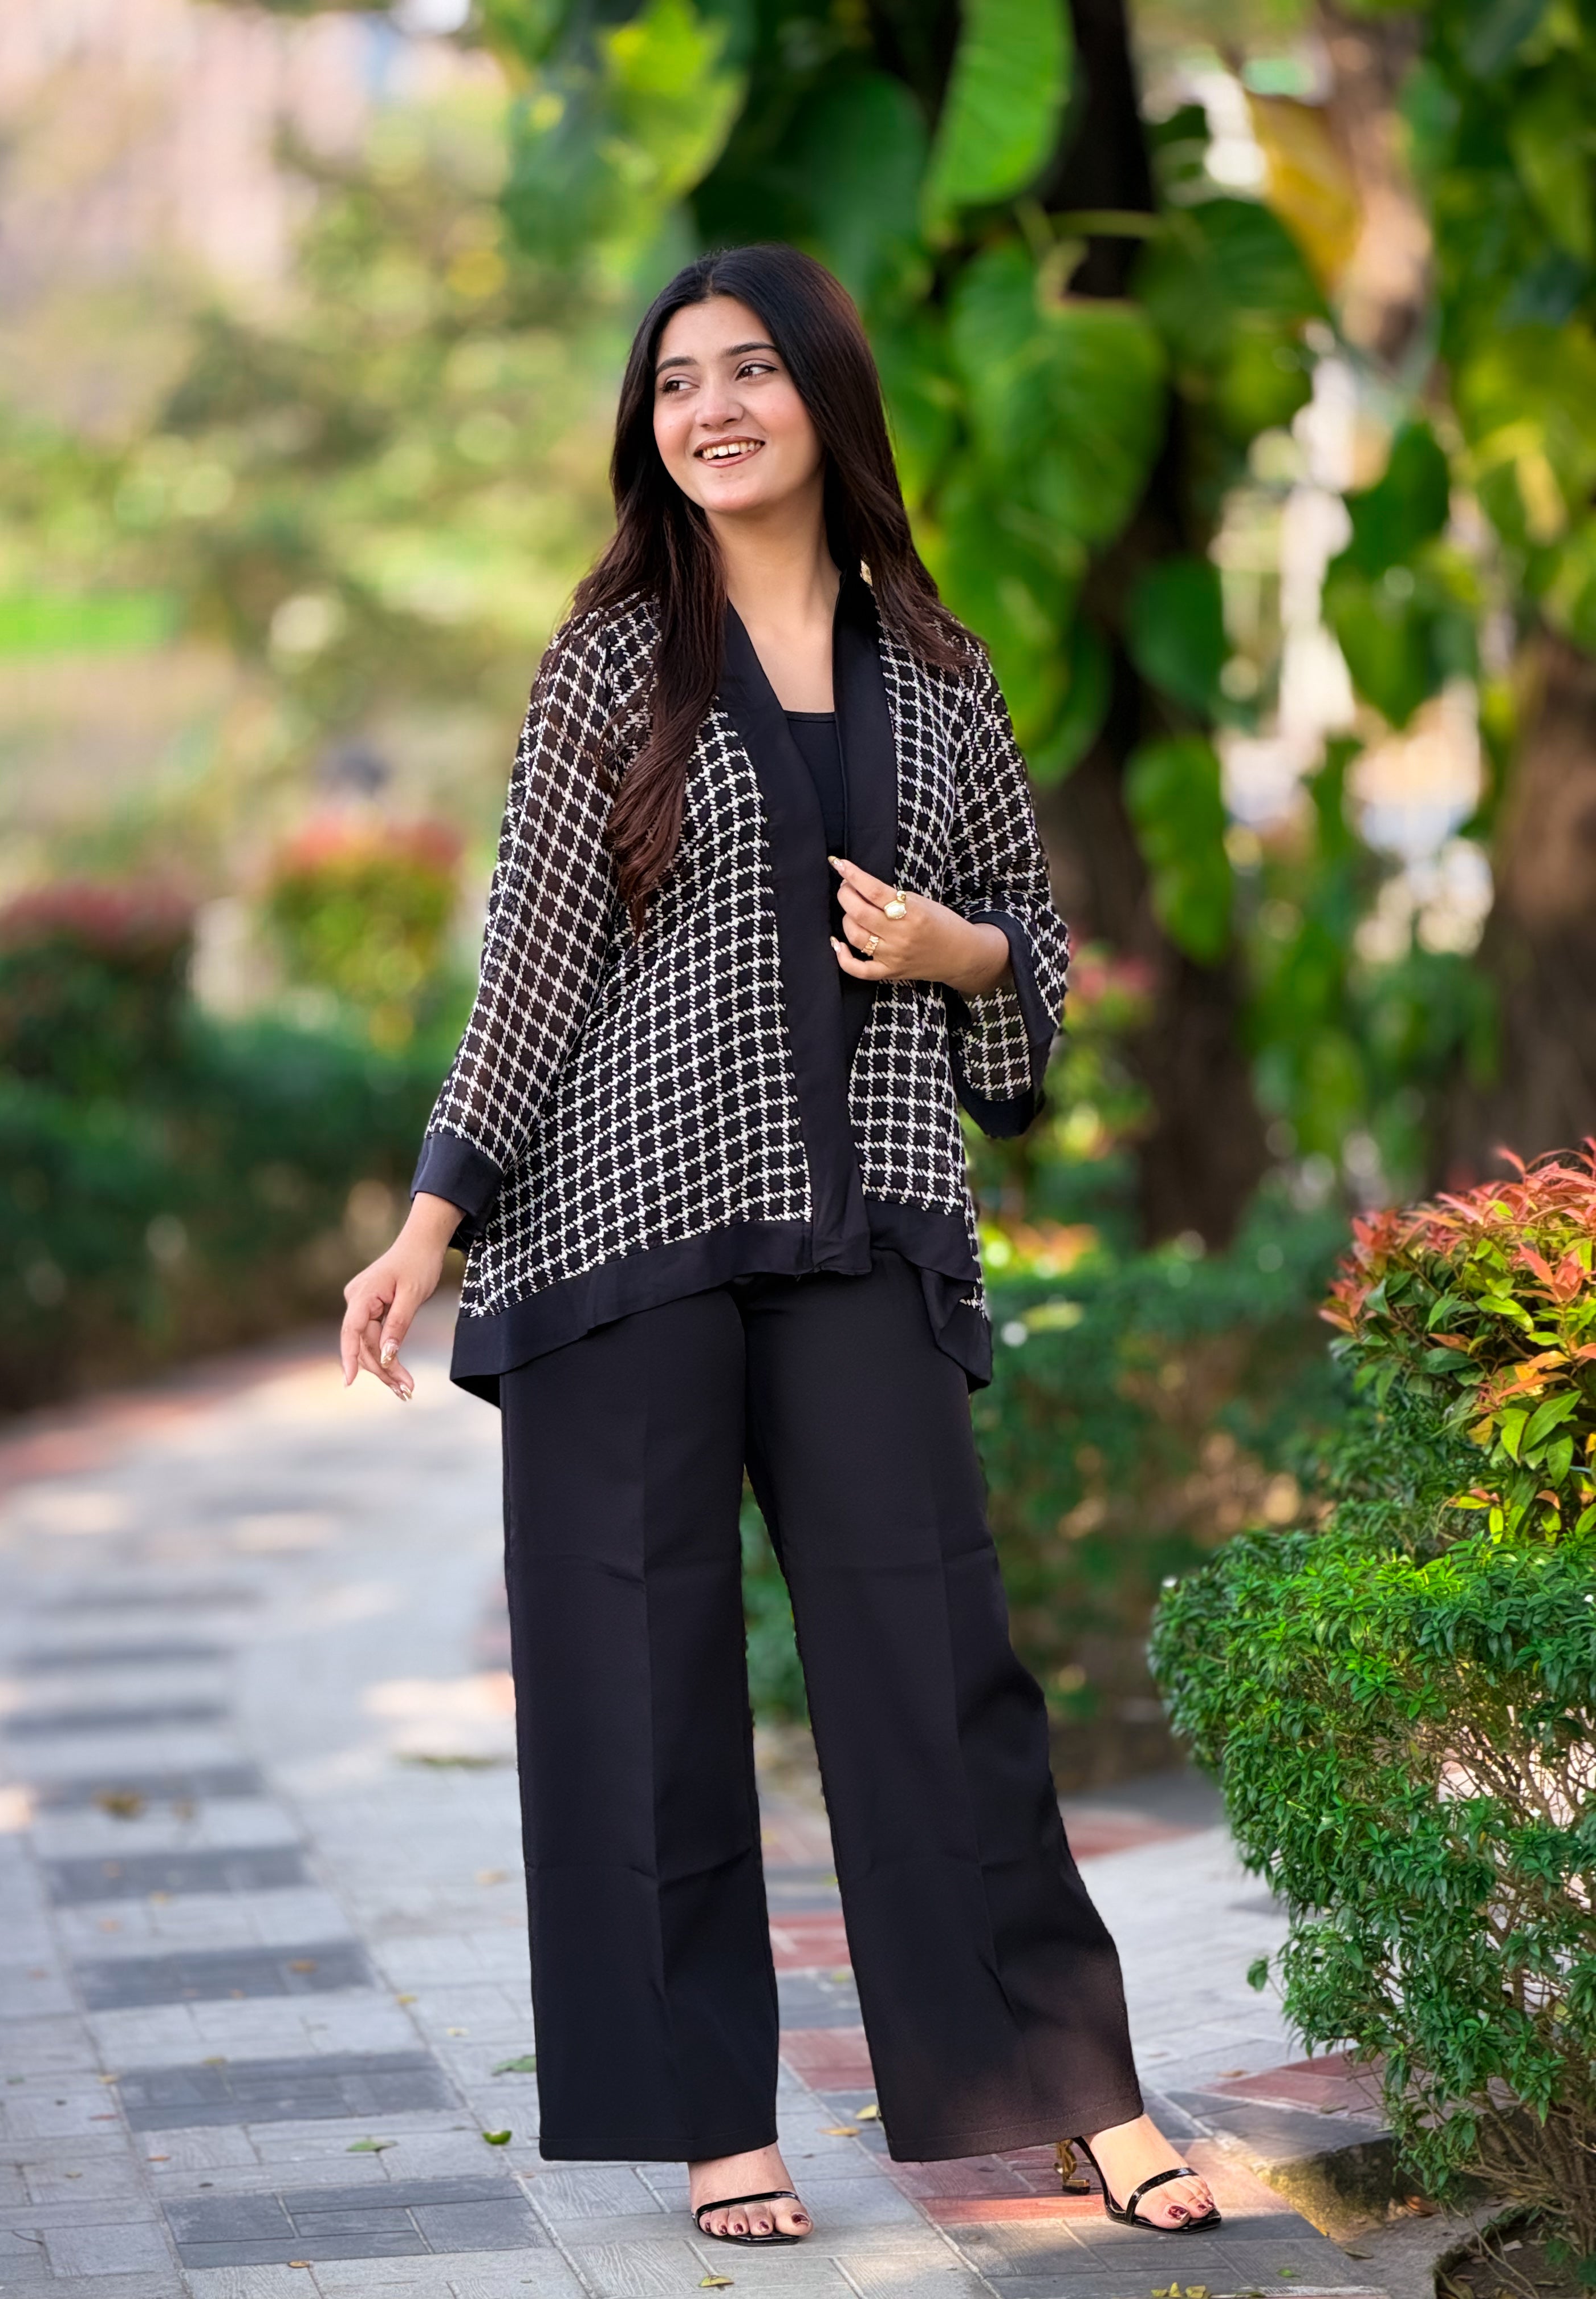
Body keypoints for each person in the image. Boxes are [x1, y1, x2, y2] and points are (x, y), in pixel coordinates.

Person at [339, 243, 1220, 2249]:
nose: (711, 407)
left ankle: (1076, 2094)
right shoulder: (607, 667)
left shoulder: (941, 668)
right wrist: (425, 1232)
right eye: (673, 384)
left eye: (749, 371)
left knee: (938, 1665)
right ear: (647, 432)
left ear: (826, 398)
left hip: (865, 1228)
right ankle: (710, 2123)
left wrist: (954, 946)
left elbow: (1034, 951)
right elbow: (535, 965)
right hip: (614, 1234)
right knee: (635, 1685)